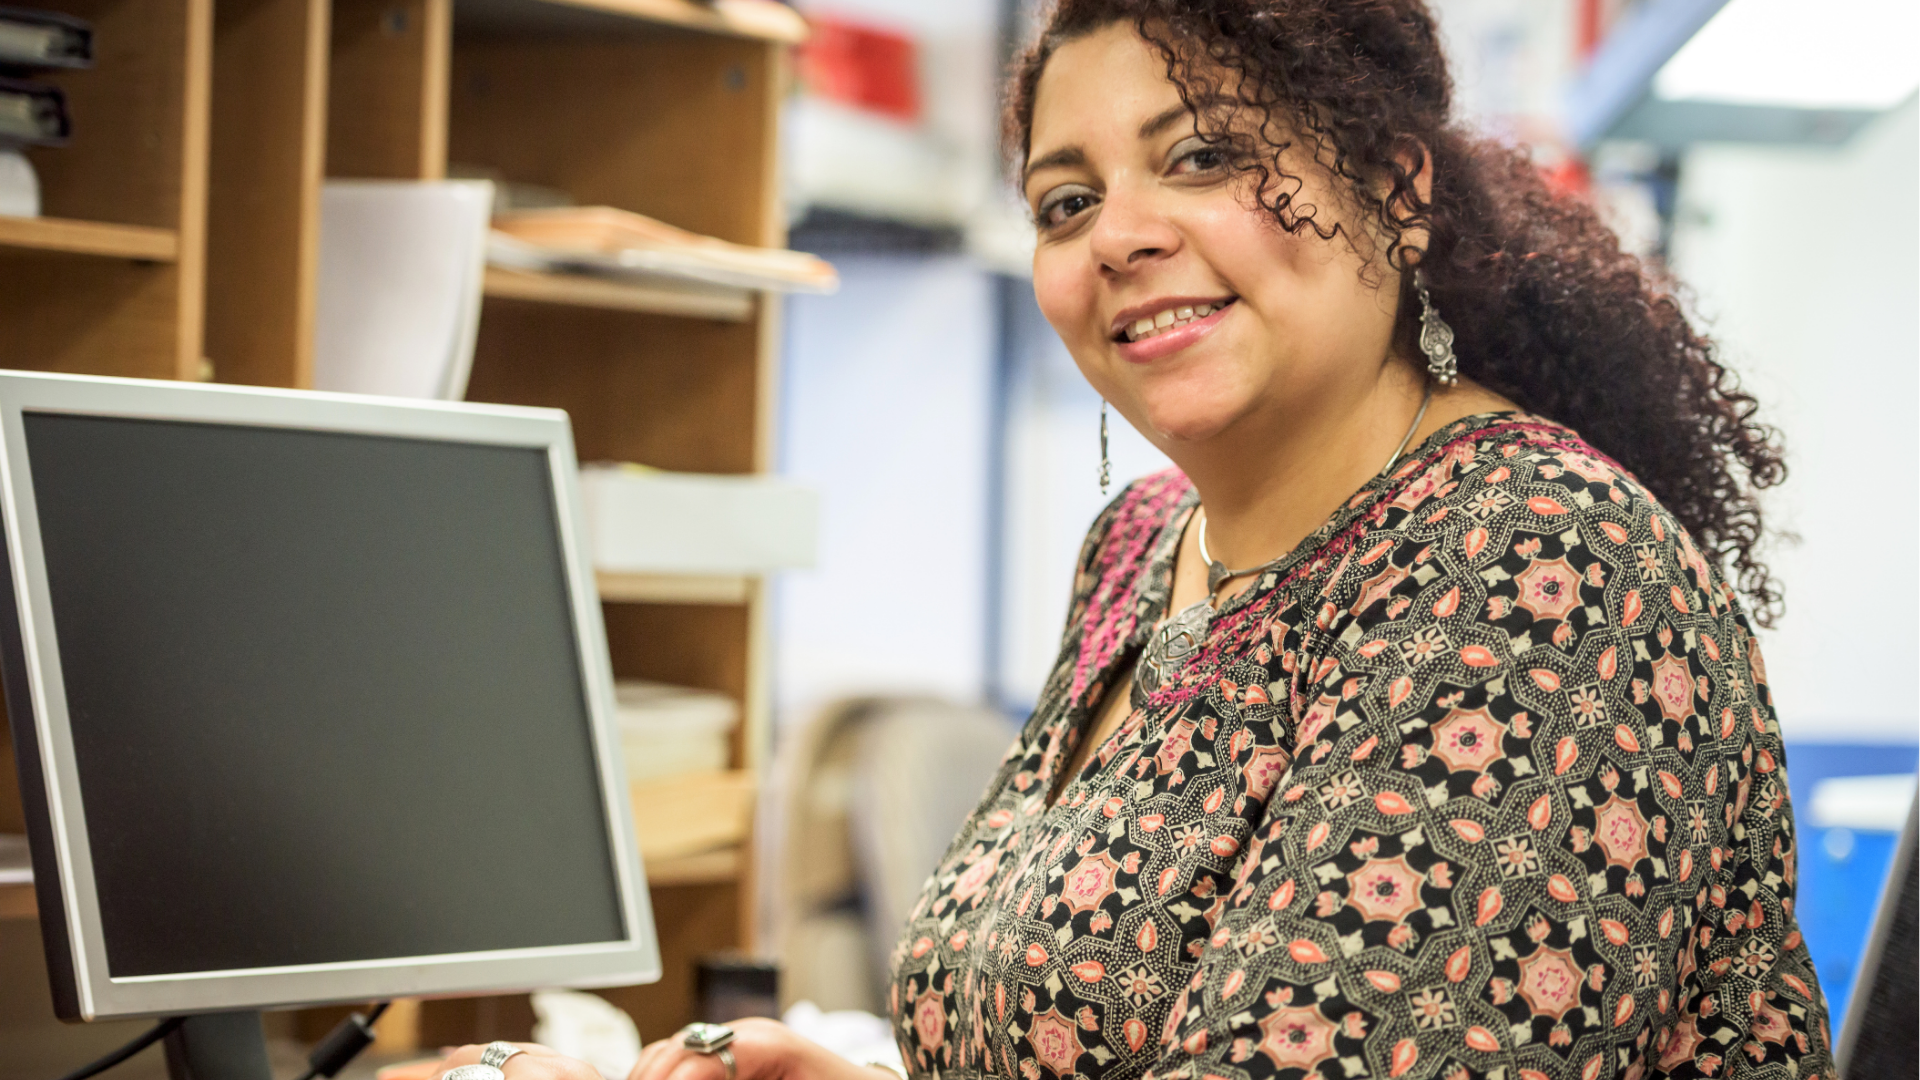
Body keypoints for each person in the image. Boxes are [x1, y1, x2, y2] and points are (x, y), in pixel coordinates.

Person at [429, 2, 1830, 1079]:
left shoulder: (1536, 561)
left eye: (1203, 156)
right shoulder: (1144, 547)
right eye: (1066, 200)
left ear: (1398, 190)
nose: (1119, 237)